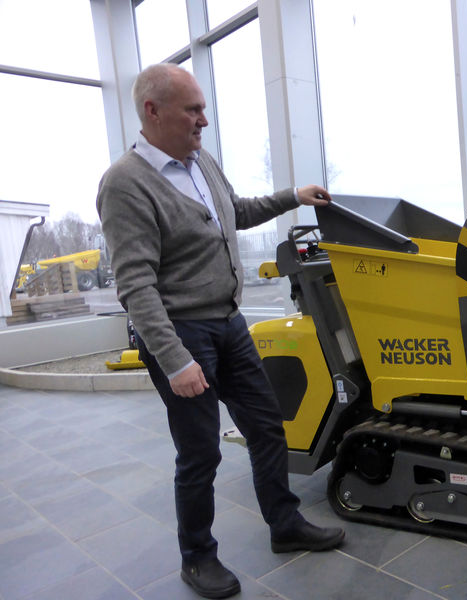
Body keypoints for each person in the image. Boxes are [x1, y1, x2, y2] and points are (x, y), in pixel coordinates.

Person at [96, 63, 344, 600]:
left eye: (203, 109)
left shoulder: (200, 161)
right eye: (193, 110)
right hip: (184, 335)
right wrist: (174, 359)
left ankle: (285, 524)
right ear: (152, 111)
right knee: (200, 452)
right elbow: (135, 284)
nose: (203, 120)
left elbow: (236, 211)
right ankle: (197, 558)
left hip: (229, 325)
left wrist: (292, 196)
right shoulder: (125, 184)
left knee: (267, 427)